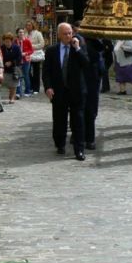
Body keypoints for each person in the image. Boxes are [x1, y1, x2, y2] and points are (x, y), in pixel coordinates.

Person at [42, 23, 90, 161]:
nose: (68, 36)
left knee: (78, 121)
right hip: (59, 91)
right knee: (59, 120)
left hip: (76, 91)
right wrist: (48, 87)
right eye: (65, 33)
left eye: (70, 33)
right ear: (59, 35)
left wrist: (78, 48)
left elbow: (86, 63)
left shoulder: (79, 47)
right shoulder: (51, 50)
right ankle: (60, 144)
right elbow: (46, 72)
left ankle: (79, 150)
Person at [74, 21, 103, 152]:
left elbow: (101, 52)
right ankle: (79, 136)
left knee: (90, 111)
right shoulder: (76, 41)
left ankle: (89, 139)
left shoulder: (94, 41)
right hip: (80, 79)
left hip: (92, 80)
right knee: (78, 110)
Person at [0, 32, 23, 104]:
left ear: (11, 41)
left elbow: (19, 58)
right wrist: (4, 63)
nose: (7, 43)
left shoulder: (16, 48)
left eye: (9, 41)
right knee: (6, 83)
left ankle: (12, 97)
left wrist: (11, 62)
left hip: (14, 68)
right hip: (5, 68)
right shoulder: (2, 48)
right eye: (5, 41)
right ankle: (10, 95)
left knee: (13, 84)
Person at [26, 20, 45, 94]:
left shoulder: (38, 33)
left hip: (36, 54)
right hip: (28, 55)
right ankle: (31, 86)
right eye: (27, 25)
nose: (28, 27)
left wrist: (31, 46)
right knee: (27, 71)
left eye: (29, 25)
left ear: (32, 25)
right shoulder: (25, 34)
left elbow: (41, 44)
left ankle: (36, 88)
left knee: (36, 71)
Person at [15, 27, 33, 97]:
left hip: (26, 60)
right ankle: (18, 92)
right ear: (17, 33)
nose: (21, 33)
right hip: (18, 61)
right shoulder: (15, 41)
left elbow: (31, 50)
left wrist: (25, 53)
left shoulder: (27, 41)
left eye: (22, 32)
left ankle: (27, 91)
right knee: (18, 76)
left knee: (26, 76)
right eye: (20, 32)